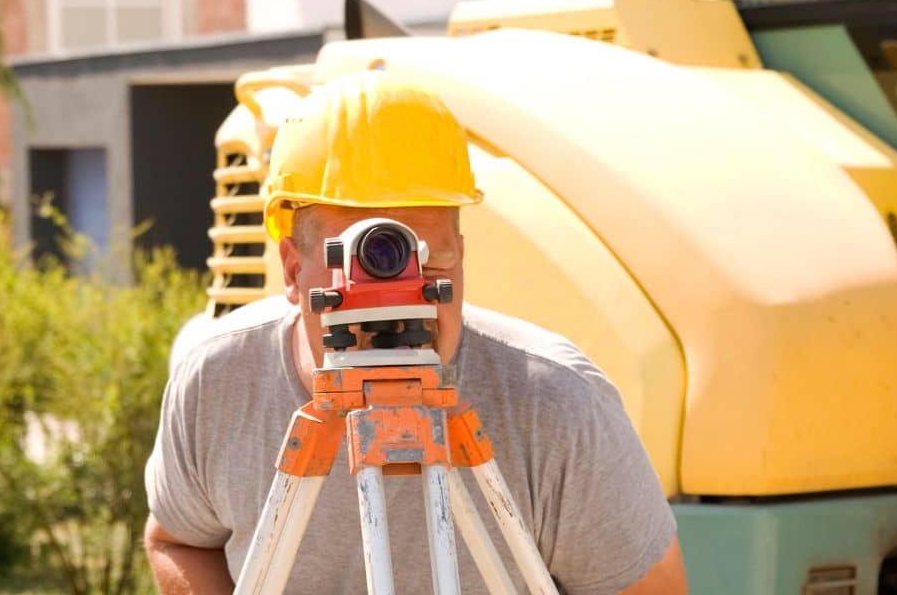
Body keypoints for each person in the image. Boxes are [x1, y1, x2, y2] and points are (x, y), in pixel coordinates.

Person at [143, 70, 687, 594]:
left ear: (462, 256)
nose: (399, 298)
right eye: (366, 265)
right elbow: (179, 540)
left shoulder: (561, 405)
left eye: (426, 263)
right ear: (291, 270)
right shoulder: (215, 381)